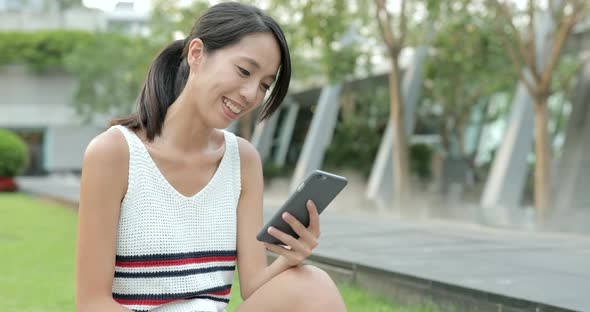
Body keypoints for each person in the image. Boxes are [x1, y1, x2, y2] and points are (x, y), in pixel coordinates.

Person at [75, 2, 346, 312]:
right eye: (244, 71)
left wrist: (290, 257)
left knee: (313, 283)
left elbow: (253, 287)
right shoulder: (114, 153)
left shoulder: (243, 160)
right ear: (196, 54)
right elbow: (91, 303)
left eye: (264, 85)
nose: (250, 95)